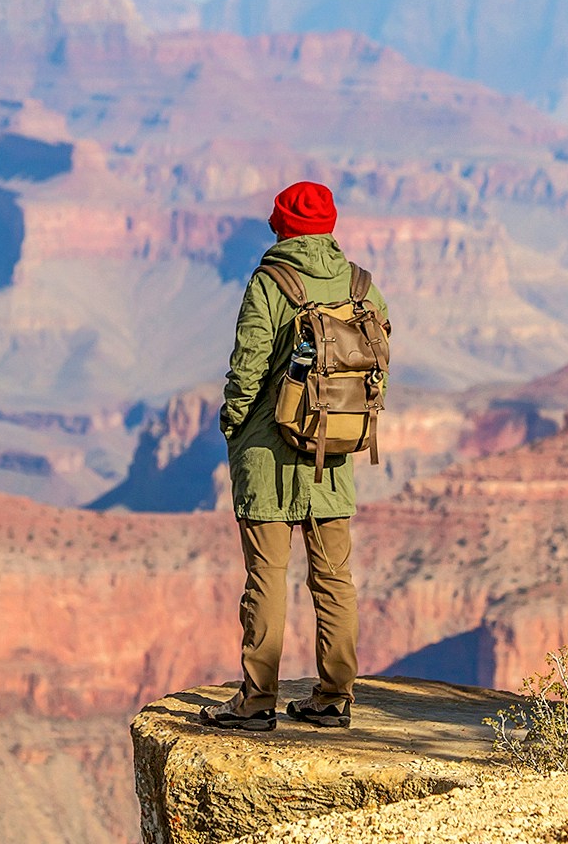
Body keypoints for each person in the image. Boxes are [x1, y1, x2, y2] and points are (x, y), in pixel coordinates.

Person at [200, 181, 388, 732]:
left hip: (267, 454)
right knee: (334, 577)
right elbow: (376, 363)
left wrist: (233, 425)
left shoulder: (271, 282)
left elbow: (249, 365)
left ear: (283, 225)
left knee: (267, 578)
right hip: (333, 448)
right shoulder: (361, 285)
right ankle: (334, 697)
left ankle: (257, 702)